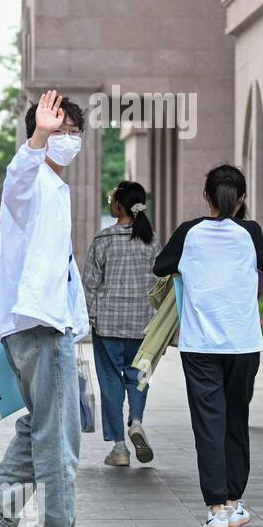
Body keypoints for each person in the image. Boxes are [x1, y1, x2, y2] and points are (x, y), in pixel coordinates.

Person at [0, 90, 103, 527]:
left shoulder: (53, 188)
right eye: (59, 130)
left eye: (73, 132)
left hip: (36, 325)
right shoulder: (33, 180)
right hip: (40, 327)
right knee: (60, 432)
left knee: (41, 425)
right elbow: (17, 177)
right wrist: (40, 136)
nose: (70, 140)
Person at [153, 165, 263, 527]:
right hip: (243, 344)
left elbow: (161, 266)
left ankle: (216, 510)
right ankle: (236, 503)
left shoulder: (189, 232)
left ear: (206, 197)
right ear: (241, 199)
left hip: (201, 345)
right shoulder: (250, 232)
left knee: (209, 423)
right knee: (236, 420)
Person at [83, 181, 160, 467]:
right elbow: (160, 284)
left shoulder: (103, 240)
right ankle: (136, 422)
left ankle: (119, 448)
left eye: (111, 199)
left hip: (107, 324)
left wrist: (88, 318)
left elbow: (90, 285)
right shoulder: (152, 241)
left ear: (119, 206)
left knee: (111, 381)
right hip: (144, 326)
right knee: (139, 377)